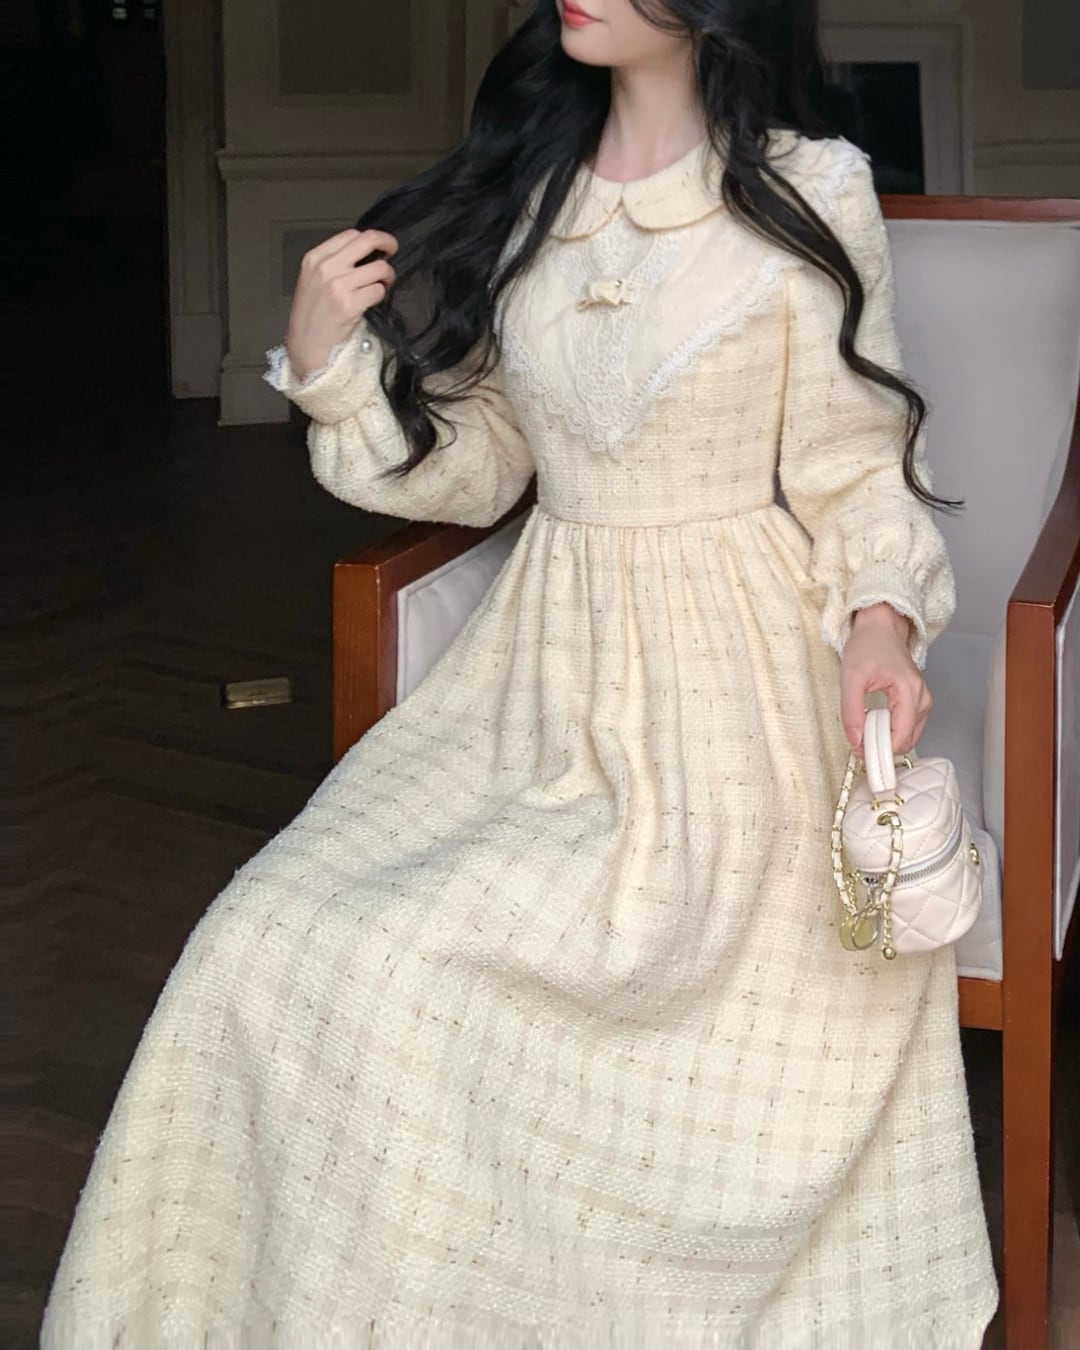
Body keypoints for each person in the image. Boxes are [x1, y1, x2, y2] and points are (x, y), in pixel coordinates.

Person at [42, 1, 999, 1344]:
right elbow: (490, 461)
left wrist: (882, 623)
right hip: (538, 675)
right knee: (273, 932)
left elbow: (854, 461)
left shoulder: (810, 186)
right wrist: (329, 369)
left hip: (735, 690)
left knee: (471, 965)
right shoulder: (539, 186)